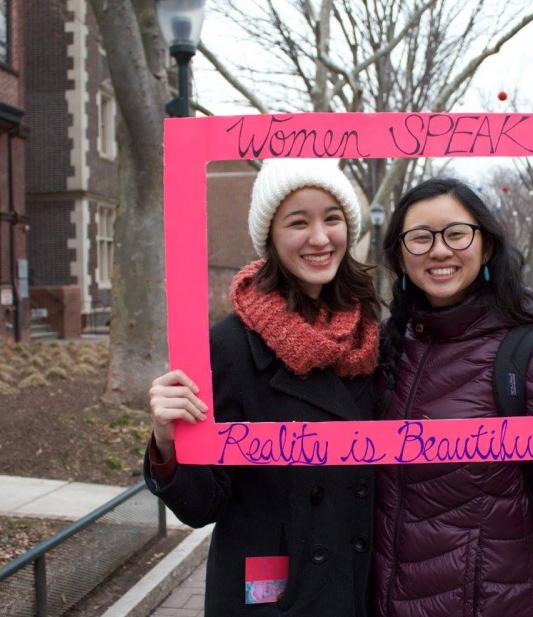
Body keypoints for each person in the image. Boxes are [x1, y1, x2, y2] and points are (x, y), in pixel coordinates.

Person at [373, 178, 533, 617]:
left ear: (486, 247)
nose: (439, 250)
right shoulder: (383, 350)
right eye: (420, 237)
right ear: (400, 256)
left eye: (456, 233)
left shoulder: (528, 355)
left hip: (491, 603)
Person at [144, 159, 380, 616]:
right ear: (270, 237)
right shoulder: (228, 347)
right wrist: (167, 441)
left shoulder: (370, 337)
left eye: (332, 218)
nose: (319, 238)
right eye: (298, 221)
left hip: (358, 591)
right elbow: (201, 506)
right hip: (271, 601)